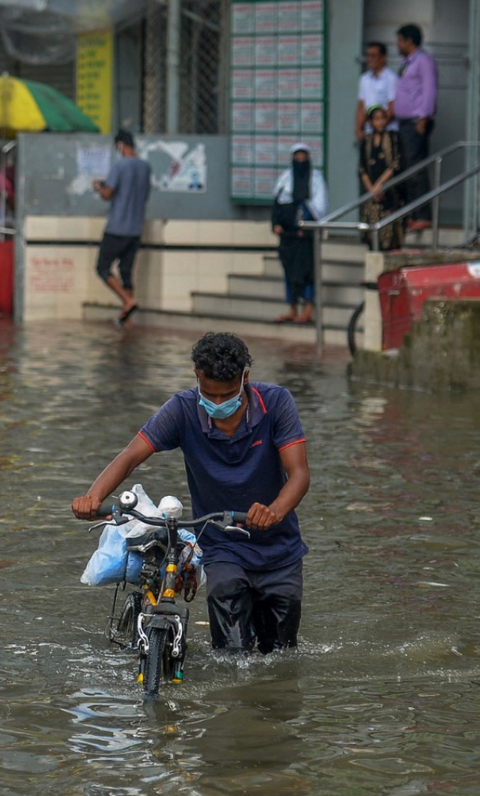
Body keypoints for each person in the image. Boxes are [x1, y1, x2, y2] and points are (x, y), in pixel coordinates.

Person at [72, 332, 309, 655]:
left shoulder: (277, 403)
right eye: (210, 395)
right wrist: (93, 497)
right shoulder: (181, 410)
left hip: (280, 547)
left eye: (228, 395)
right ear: (197, 377)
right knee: (231, 650)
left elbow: (299, 474)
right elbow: (130, 456)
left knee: (280, 652)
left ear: (246, 379)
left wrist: (275, 511)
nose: (218, 405)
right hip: (223, 544)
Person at [93, 130, 152, 326]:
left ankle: (128, 301)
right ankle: (126, 318)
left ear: (120, 145)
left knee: (102, 267)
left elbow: (108, 194)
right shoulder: (145, 167)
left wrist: (99, 188)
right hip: (136, 229)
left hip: (117, 227)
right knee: (126, 271)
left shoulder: (119, 166)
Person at [271, 143, 328, 324]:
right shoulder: (285, 178)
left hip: (306, 237)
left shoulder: (316, 178)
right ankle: (293, 308)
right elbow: (277, 202)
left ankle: (308, 310)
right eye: (297, 157)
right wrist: (276, 223)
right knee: (290, 272)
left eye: (304, 157)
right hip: (288, 237)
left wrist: (306, 227)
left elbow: (319, 206)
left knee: (307, 272)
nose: (301, 161)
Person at [393, 24, 437, 232]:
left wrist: (423, 118)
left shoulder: (423, 61)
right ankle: (413, 213)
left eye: (400, 40)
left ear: (409, 41)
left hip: (415, 123)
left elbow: (429, 90)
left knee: (416, 168)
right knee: (406, 169)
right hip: (403, 123)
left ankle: (423, 215)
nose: (397, 45)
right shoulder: (407, 63)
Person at [358, 105, 404, 251]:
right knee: (372, 237)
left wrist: (379, 185)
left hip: (388, 191)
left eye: (383, 118)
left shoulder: (393, 137)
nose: (380, 122)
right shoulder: (367, 141)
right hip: (372, 193)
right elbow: (362, 168)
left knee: (389, 237)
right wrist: (371, 189)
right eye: (377, 119)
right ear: (371, 122)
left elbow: (395, 164)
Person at [355, 42, 398, 143]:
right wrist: (358, 129)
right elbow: (361, 106)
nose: (369, 59)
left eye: (373, 56)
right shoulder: (364, 79)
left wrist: (379, 126)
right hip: (369, 132)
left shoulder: (391, 78)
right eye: (368, 56)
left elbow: (392, 108)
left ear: (383, 57)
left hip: (387, 131)